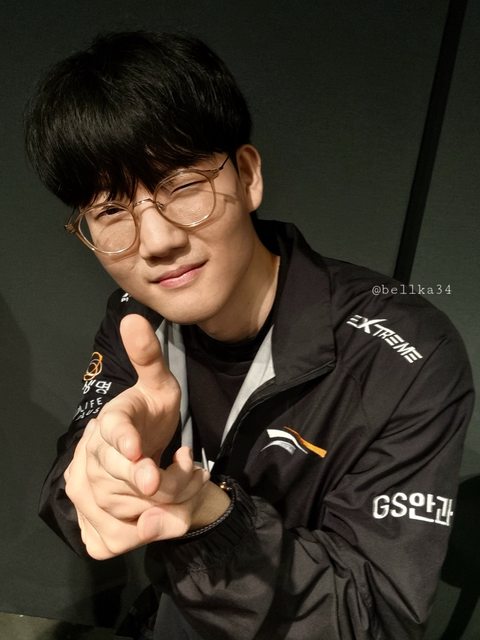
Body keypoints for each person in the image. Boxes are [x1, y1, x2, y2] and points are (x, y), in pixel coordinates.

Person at [24, 31, 474, 640]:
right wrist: (106, 470)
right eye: (110, 212)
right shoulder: (137, 313)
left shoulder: (405, 354)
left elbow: (377, 618)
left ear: (248, 175)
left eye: (183, 186)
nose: (156, 242)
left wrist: (210, 518)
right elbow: (71, 493)